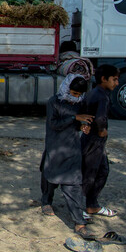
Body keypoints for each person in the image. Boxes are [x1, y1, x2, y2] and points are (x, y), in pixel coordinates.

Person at [40, 74, 96, 239]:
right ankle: (46, 201)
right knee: (50, 177)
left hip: (72, 148)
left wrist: (83, 127)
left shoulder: (80, 104)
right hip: (55, 145)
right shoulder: (54, 102)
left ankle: (79, 222)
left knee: (73, 184)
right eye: (73, 93)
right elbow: (54, 124)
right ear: (66, 88)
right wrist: (74, 118)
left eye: (78, 95)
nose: (75, 97)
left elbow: (79, 124)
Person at [81, 64, 120, 219]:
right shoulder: (102, 96)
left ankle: (92, 205)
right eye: (114, 79)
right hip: (94, 141)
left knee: (101, 171)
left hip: (93, 141)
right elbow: (100, 117)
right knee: (90, 174)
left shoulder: (94, 93)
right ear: (104, 79)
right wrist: (102, 129)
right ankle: (80, 207)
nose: (116, 83)